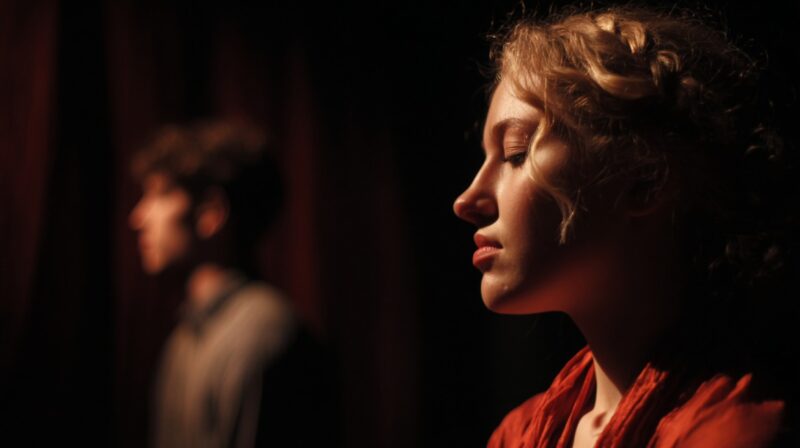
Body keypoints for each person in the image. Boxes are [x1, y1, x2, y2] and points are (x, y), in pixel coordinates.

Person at [453, 5, 794, 447]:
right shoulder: (518, 435)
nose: (467, 201)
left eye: (517, 152)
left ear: (645, 182)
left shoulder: (733, 431)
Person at [129, 120, 338, 447]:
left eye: (160, 194)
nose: (139, 216)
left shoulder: (263, 335)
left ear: (211, 213)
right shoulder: (184, 338)